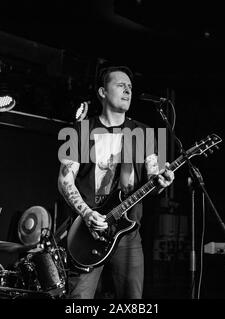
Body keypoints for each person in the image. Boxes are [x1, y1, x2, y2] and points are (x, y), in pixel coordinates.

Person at [57, 65, 175, 299]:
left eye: (130, 87)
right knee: (79, 300)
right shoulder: (79, 131)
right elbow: (64, 180)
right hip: (86, 231)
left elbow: (154, 175)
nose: (127, 90)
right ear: (102, 92)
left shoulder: (145, 133)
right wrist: (87, 214)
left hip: (128, 233)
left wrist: (163, 180)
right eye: (120, 85)